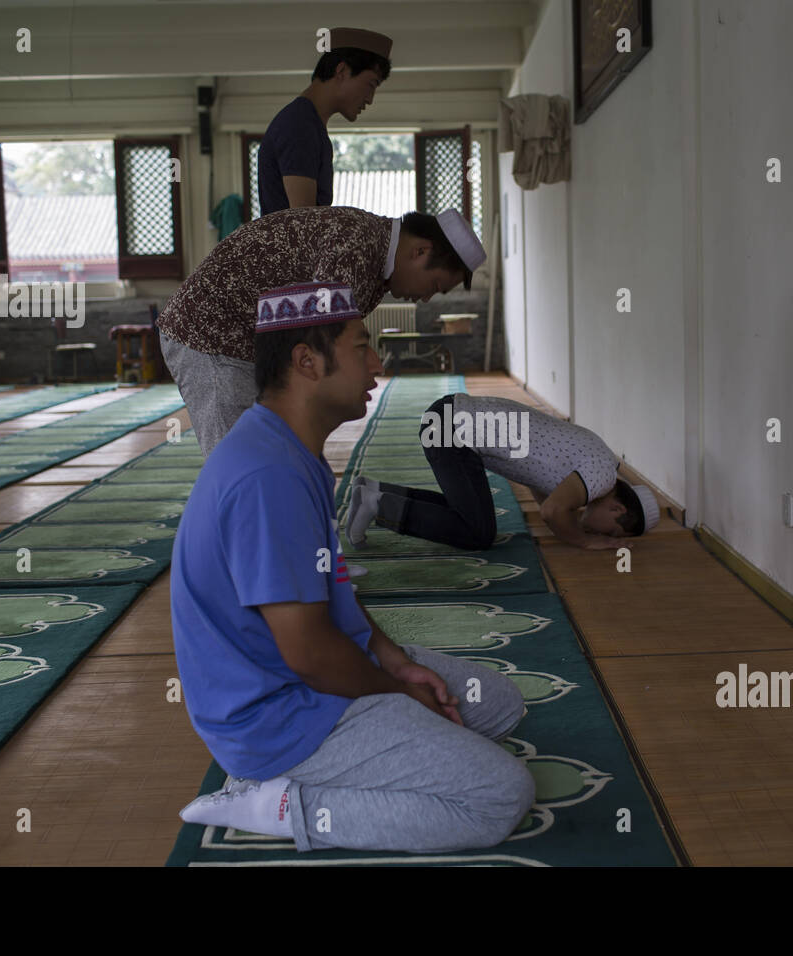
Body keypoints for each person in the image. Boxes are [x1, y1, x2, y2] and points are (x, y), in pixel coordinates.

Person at [171, 282, 535, 853]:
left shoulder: (295, 451)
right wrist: (396, 692)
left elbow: (329, 578)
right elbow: (309, 654)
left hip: (309, 675)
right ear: (307, 361)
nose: (375, 363)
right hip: (274, 714)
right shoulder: (267, 477)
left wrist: (391, 657)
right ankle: (282, 803)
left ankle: (341, 758)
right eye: (361, 346)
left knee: (498, 705)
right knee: (499, 795)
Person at [157, 205, 485, 457]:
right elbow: (321, 345)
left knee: (270, 450)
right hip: (208, 333)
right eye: (435, 285)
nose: (426, 297)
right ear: (420, 251)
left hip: (244, 343)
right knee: (238, 458)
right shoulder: (358, 247)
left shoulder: (374, 256)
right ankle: (238, 542)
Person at [344, 393, 661, 551]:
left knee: (468, 512)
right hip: (455, 428)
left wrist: (568, 523)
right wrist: (585, 541)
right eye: (611, 532)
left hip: (450, 420)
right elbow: (551, 512)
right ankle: (378, 505)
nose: (603, 535)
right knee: (479, 532)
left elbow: (543, 491)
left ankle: (374, 491)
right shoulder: (603, 474)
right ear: (617, 507)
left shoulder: (599, 464)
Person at [258, 27, 393, 216]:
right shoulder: (299, 125)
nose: (370, 98)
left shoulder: (308, 123)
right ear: (342, 70)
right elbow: (305, 224)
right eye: (371, 84)